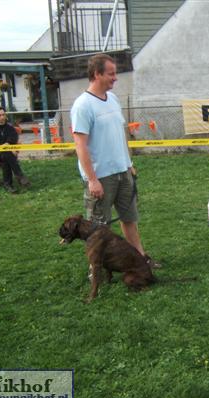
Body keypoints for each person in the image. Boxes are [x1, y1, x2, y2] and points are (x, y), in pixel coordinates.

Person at [70, 53, 159, 268]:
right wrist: (92, 180)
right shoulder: (82, 106)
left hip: (123, 172)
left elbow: (119, 135)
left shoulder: (113, 99)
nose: (115, 78)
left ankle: (140, 259)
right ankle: (96, 269)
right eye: (111, 74)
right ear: (97, 74)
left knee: (130, 219)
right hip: (101, 177)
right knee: (98, 229)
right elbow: (80, 146)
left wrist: (128, 164)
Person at [0, 107, 31, 193]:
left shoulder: (10, 128)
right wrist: (4, 146)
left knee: (6, 155)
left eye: (3, 115)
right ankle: (20, 176)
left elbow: (13, 140)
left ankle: (8, 185)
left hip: (9, 153)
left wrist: (6, 146)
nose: (2, 117)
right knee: (6, 153)